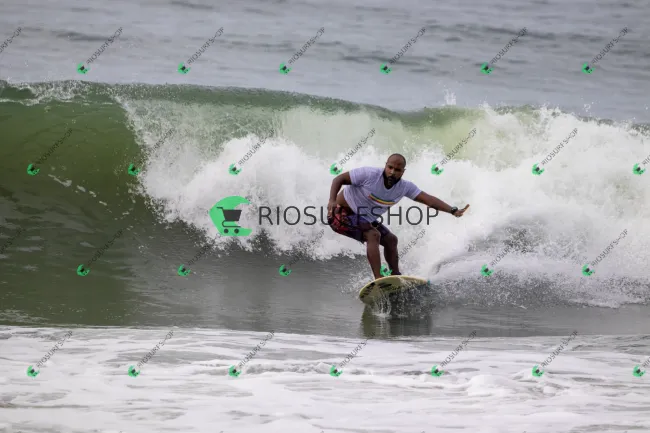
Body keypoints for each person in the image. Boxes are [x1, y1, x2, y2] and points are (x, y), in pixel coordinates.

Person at [326, 154, 470, 280]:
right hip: (339, 214)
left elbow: (429, 200)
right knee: (373, 234)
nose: (392, 172)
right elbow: (338, 179)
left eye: (397, 170)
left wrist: (452, 210)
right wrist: (332, 200)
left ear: (403, 172)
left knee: (391, 240)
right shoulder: (369, 174)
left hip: (364, 219)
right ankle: (379, 279)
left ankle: (395, 276)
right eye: (390, 167)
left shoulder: (405, 187)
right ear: (385, 166)